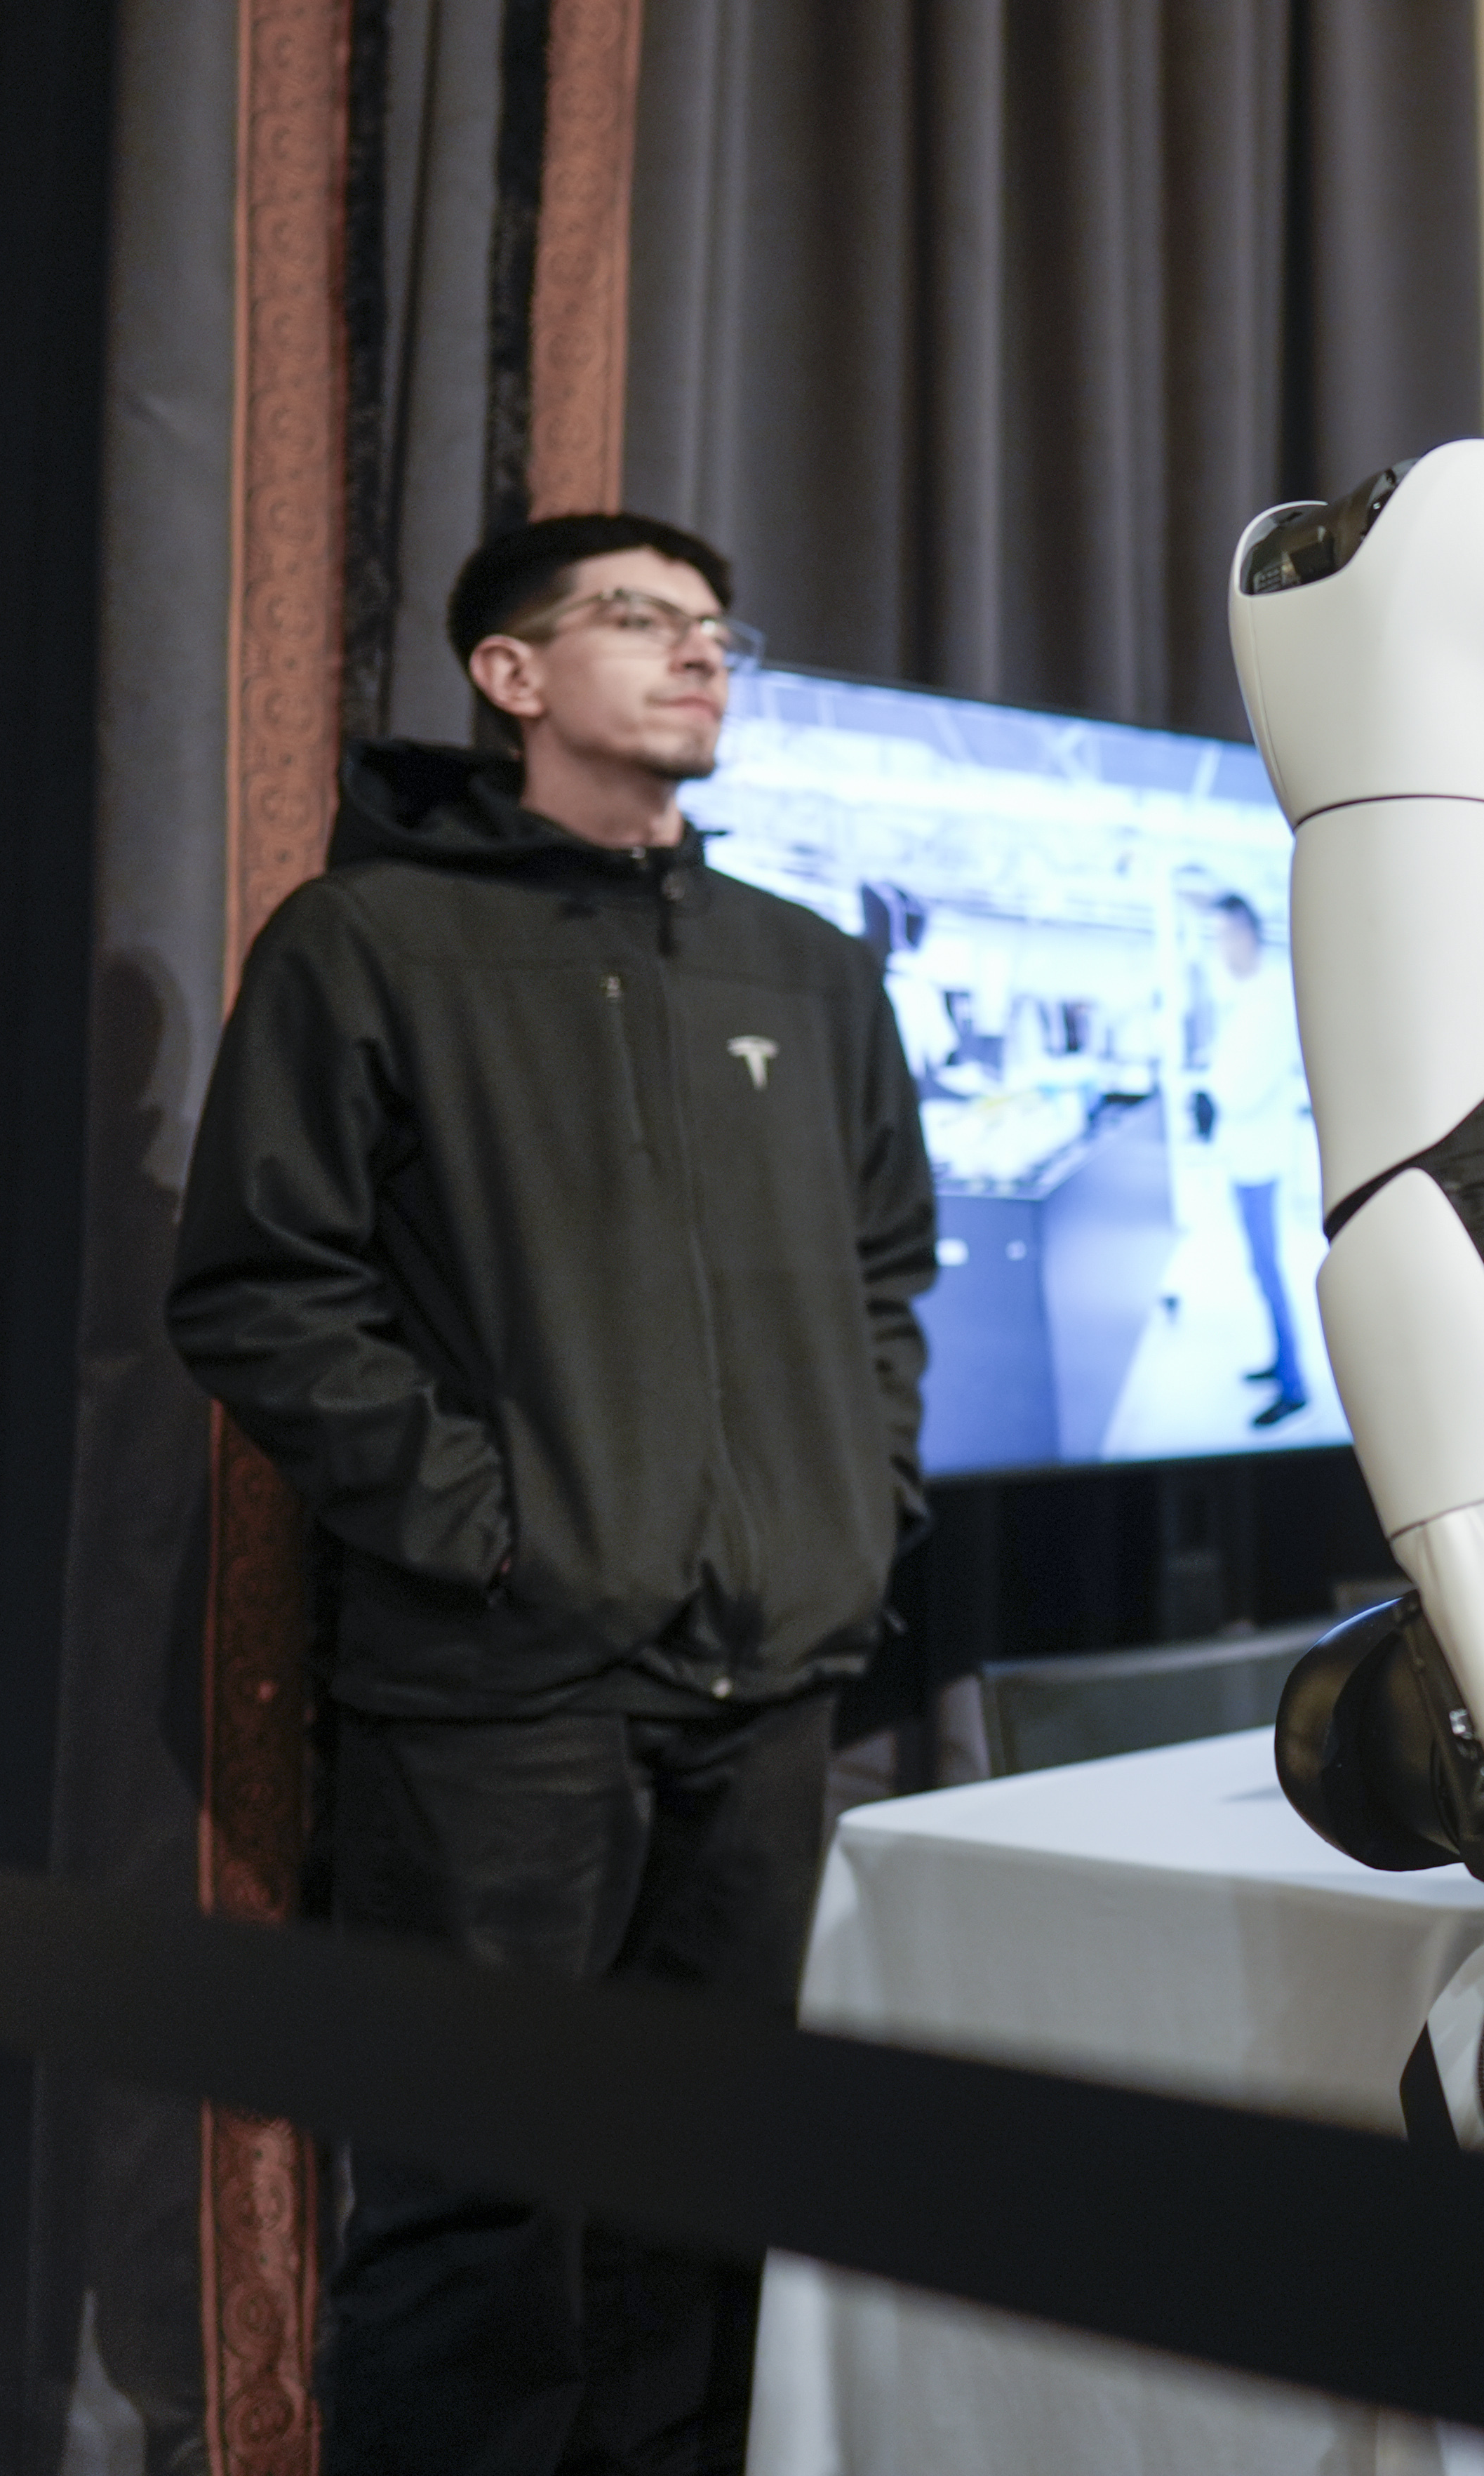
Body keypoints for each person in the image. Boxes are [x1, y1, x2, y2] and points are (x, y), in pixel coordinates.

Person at [169, 513, 935, 2475]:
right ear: (509, 677)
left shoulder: (809, 969)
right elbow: (262, 1289)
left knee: (709, 2187)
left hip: (767, 1687)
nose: (700, 653)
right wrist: (489, 1532)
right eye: (638, 618)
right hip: (502, 1695)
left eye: (717, 627)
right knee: (477, 2204)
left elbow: (884, 1283)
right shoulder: (369, 941)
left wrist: (854, 1515)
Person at [1194, 889, 1313, 1429]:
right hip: (1246, 1152)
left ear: (1245, 936)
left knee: (1268, 1266)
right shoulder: (1248, 996)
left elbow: (1245, 1083)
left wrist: (1212, 1094)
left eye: (1222, 936)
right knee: (1259, 1266)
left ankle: (1295, 1386)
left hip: (1259, 1155)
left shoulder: (1268, 999)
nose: (1219, 949)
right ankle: (1279, 1361)